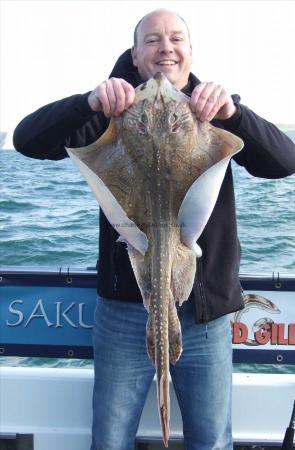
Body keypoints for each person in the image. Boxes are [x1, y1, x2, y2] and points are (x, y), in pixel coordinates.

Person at [13, 9, 295, 450]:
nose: (166, 47)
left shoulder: (213, 110)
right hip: (125, 312)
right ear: (135, 54)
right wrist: (89, 102)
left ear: (189, 51)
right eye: (153, 40)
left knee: (212, 442)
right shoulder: (113, 113)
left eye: (176, 38)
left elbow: (285, 162)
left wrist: (234, 113)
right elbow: (26, 141)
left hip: (208, 317)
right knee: (110, 440)